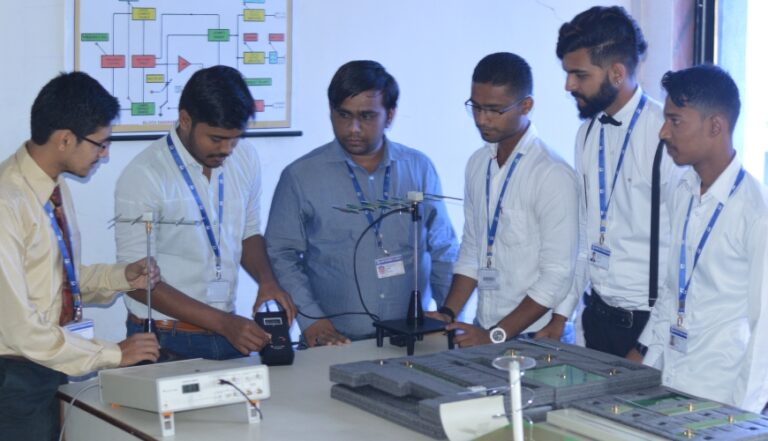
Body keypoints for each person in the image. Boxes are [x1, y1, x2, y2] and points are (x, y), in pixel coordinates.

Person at [0, 72, 160, 441]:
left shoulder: (52, 188)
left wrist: (121, 277)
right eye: (100, 144)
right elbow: (19, 328)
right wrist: (113, 354)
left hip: (46, 367)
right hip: (14, 380)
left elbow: (57, 281)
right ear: (65, 140)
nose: (105, 154)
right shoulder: (8, 203)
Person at [266, 60, 458, 346]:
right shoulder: (300, 176)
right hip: (334, 342)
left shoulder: (418, 168)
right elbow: (281, 253)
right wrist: (312, 319)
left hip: (411, 340)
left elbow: (443, 247)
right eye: (343, 115)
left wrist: (447, 312)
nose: (353, 128)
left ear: (389, 116)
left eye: (366, 116)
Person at [115, 65, 296, 360]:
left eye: (234, 138)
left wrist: (267, 282)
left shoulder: (245, 157)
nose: (227, 149)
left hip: (228, 332)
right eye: (215, 138)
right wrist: (224, 323)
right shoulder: (145, 175)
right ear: (185, 120)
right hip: (164, 337)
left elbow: (248, 232)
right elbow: (134, 282)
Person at [630, 65, 768, 413]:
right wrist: (645, 363)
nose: (663, 132)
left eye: (675, 121)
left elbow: (764, 332)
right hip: (668, 382)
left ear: (715, 126)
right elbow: (672, 292)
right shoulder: (684, 190)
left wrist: (741, 421)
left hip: (720, 400)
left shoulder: (756, 212)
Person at [548, 6, 683, 356]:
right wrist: (561, 315)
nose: (569, 85)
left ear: (617, 73)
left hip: (647, 328)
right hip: (594, 320)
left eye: (579, 75)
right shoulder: (586, 134)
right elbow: (584, 235)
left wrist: (646, 345)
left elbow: (683, 257)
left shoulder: (667, 136)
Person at [427, 53, 578, 347]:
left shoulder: (552, 174)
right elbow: (472, 249)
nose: (481, 119)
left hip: (536, 338)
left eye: (494, 110)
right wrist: (448, 313)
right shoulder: (477, 163)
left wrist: (496, 335)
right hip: (485, 328)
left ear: (526, 106)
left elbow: (557, 276)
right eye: (476, 107)